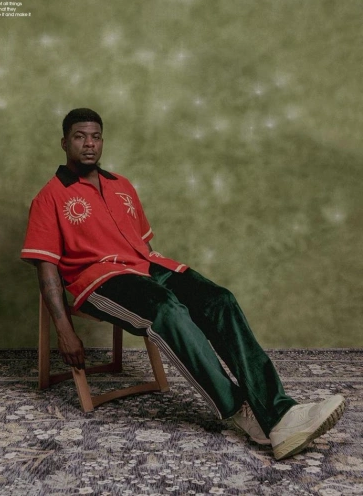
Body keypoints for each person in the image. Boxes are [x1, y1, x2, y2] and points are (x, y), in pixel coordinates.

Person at [21, 108, 345, 460]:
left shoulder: (121, 185)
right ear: (64, 142)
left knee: (219, 299)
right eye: (80, 137)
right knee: (168, 311)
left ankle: (281, 411)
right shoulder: (49, 197)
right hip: (99, 280)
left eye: (96, 137)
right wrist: (64, 330)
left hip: (147, 266)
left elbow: (141, 243)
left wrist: (161, 279)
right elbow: (46, 269)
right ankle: (243, 413)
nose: (89, 144)